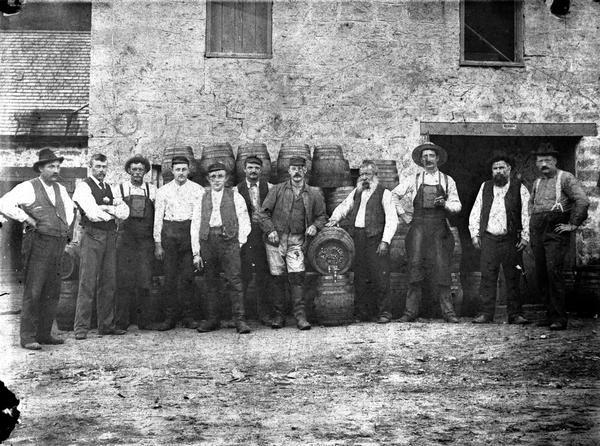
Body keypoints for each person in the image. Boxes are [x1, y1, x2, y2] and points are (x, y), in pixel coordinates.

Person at [0, 149, 75, 350]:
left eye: (58, 166)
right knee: (34, 290)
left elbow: (69, 212)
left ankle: (44, 333)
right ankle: (28, 337)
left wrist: (64, 229)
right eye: (51, 166)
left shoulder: (60, 189)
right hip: (38, 243)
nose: (56, 170)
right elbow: (4, 203)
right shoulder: (28, 187)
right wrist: (26, 218)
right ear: (41, 168)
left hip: (58, 244)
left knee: (52, 290)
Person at [392, 142, 462, 323]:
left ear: (437, 158)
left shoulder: (448, 180)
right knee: (415, 266)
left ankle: (448, 313)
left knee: (442, 267)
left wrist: (444, 204)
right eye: (424, 157)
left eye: (431, 156)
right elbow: (393, 195)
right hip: (418, 230)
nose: (427, 159)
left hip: (440, 230)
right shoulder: (413, 179)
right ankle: (409, 313)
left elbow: (457, 206)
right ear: (421, 160)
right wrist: (404, 216)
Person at [256, 156, 328, 330]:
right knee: (277, 278)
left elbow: (322, 216)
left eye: (300, 168)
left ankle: (300, 317)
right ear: (288, 171)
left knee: (297, 278)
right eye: (294, 169)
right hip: (276, 241)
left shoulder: (313, 193)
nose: (297, 172)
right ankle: (279, 316)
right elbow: (262, 213)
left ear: (305, 171)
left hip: (297, 241)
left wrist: (315, 226)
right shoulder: (278, 190)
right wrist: (270, 230)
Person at [326, 160, 398, 323]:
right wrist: (334, 219)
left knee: (380, 277)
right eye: (362, 174)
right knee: (361, 277)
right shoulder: (356, 192)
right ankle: (363, 313)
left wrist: (385, 241)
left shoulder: (384, 193)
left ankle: (384, 312)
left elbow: (392, 220)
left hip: (376, 239)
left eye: (368, 174)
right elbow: (344, 207)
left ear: (375, 175)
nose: (365, 177)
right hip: (358, 239)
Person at [529, 142, 589, 330]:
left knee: (553, 272)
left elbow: (582, 201)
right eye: (540, 161)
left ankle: (559, 318)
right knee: (541, 273)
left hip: (555, 230)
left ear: (555, 161)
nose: (543, 164)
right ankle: (549, 315)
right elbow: (531, 206)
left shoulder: (566, 178)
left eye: (547, 160)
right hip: (538, 229)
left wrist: (572, 224)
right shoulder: (537, 182)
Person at [72, 154, 129, 340]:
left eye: (104, 166)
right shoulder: (83, 187)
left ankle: (106, 325)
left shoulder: (111, 188)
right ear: (91, 167)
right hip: (92, 235)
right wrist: (111, 211)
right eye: (98, 166)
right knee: (87, 281)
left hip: (110, 237)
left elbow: (125, 212)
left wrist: (108, 209)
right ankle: (81, 327)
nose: (101, 170)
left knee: (108, 282)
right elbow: (93, 213)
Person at [468, 154, 530, 324]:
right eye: (495, 168)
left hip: (511, 239)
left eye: (502, 168)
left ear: (509, 169)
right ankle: (486, 314)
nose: (498, 171)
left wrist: (525, 236)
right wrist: (475, 234)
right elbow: (476, 211)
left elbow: (526, 213)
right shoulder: (485, 187)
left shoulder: (519, 188)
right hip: (489, 239)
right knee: (487, 277)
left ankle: (515, 314)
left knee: (513, 277)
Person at [191, 163, 252, 333]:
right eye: (213, 177)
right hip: (208, 241)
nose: (216, 180)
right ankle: (212, 319)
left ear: (226, 178)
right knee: (210, 281)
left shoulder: (235, 196)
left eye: (220, 176)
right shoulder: (201, 198)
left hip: (229, 242)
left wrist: (238, 242)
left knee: (235, 280)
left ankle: (239, 320)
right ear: (208, 179)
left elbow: (245, 221)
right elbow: (195, 225)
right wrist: (196, 252)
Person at [152, 155, 204, 330]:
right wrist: (158, 244)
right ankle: (169, 318)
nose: (181, 173)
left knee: (188, 278)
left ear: (188, 171)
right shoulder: (163, 191)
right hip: (169, 235)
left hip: (188, 234)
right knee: (170, 279)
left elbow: (197, 220)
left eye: (184, 169)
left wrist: (196, 248)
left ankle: (188, 317)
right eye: (177, 169)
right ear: (172, 171)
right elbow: (158, 219)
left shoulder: (198, 190)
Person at [113, 155, 156, 331]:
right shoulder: (120, 189)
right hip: (126, 241)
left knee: (144, 281)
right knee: (124, 281)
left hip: (145, 241)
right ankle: (121, 321)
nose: (137, 173)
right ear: (129, 171)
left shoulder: (151, 190)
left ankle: (143, 321)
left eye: (141, 170)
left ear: (145, 172)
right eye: (134, 169)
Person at [233, 156, 273, 325]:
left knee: (264, 276)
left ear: (261, 170)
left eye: (256, 168)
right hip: (246, 238)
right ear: (244, 169)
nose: (253, 171)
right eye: (250, 167)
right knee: (245, 275)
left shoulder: (270, 188)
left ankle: (264, 314)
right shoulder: (236, 190)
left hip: (264, 238)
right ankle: (244, 315)